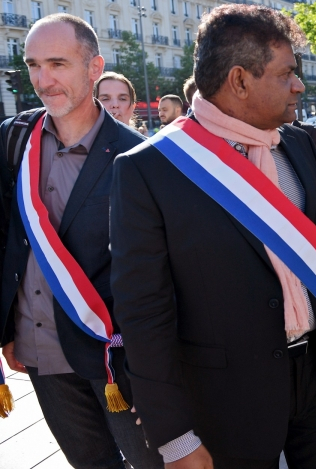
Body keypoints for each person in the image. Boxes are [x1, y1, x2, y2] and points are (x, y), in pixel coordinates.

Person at [110, 5, 316, 468]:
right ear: (240, 80)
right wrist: (174, 437)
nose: (300, 85)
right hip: (225, 397)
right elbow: (143, 314)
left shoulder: (298, 143)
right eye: (287, 74)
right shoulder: (148, 169)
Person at [0, 14, 162, 469]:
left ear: (94, 68)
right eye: (33, 64)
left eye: (57, 63)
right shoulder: (15, 140)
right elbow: (7, 235)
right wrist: (7, 329)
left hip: (116, 357)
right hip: (39, 352)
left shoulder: (139, 157)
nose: (41, 79)